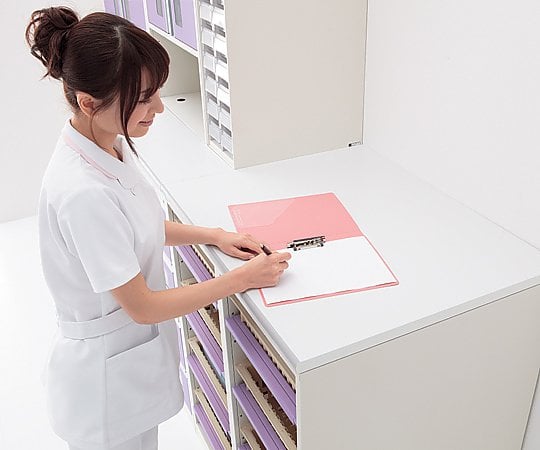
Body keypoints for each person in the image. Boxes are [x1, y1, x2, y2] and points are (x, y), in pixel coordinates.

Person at [25, 7, 291, 450]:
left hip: (124, 365)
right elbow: (143, 307)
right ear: (89, 103)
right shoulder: (82, 192)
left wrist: (214, 235)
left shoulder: (103, 142)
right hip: (105, 390)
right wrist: (240, 279)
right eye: (144, 98)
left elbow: (137, 224)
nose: (160, 108)